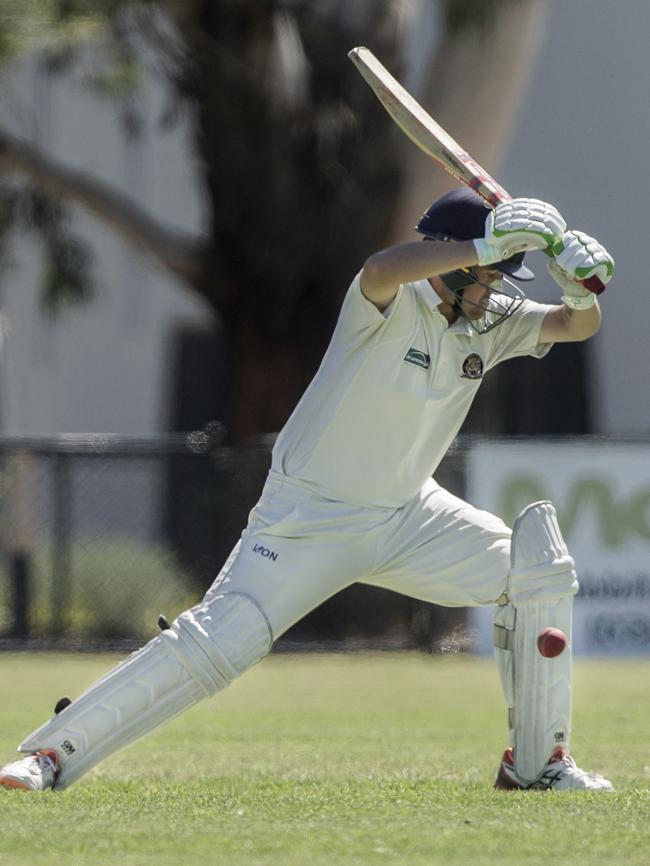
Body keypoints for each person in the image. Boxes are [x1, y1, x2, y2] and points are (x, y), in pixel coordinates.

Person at [0, 188, 615, 793]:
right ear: (456, 266)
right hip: (309, 515)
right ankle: (50, 755)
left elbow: (574, 327)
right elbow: (380, 268)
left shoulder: (486, 324)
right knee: (223, 641)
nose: (497, 294)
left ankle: (537, 764)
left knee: (537, 572)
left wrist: (579, 285)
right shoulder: (390, 301)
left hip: (408, 513)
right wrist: (483, 244)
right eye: (491, 276)